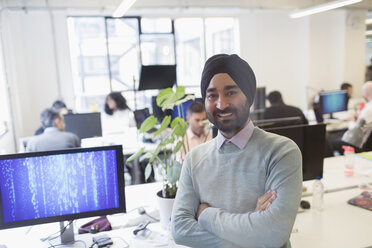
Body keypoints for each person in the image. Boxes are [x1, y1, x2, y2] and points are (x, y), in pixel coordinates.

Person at [171, 54, 302, 248]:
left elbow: (274, 234)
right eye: (212, 95)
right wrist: (254, 234)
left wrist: (206, 215)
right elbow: (180, 229)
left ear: (248, 96)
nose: (221, 104)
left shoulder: (281, 152)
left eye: (230, 92)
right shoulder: (194, 159)